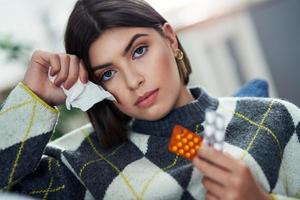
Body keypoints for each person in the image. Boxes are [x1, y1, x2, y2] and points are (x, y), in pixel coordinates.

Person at [0, 0, 299, 199]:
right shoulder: (78, 161)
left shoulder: (275, 118)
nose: (133, 81)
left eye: (139, 50)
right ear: (95, 85)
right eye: (108, 73)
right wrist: (33, 99)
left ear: (170, 39)